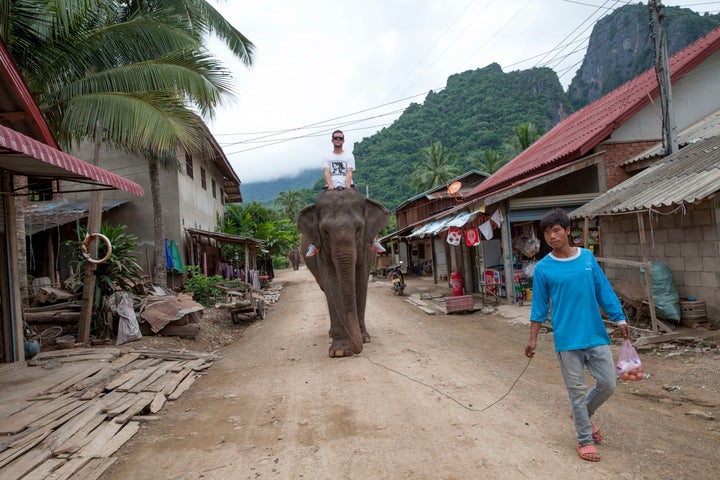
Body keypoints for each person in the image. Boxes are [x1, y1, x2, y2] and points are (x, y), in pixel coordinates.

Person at [524, 207, 629, 463]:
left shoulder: (587, 258)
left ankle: (581, 413)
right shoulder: (544, 268)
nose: (552, 236)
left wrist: (619, 317)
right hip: (567, 339)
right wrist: (533, 338)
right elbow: (539, 306)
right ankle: (584, 439)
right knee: (577, 392)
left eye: (556, 230)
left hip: (595, 333)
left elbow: (602, 289)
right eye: (547, 232)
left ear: (568, 231)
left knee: (608, 383)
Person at [306, 130, 385, 257]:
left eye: (340, 138)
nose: (338, 140)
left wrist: (348, 188)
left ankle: (373, 240)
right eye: (336, 138)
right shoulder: (327, 156)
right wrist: (331, 186)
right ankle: (314, 243)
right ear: (332, 140)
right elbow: (326, 172)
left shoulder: (349, 156)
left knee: (364, 209)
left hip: (349, 187)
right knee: (317, 211)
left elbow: (349, 172)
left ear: (343, 140)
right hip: (330, 188)